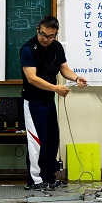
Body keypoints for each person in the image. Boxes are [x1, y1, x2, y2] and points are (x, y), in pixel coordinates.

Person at [20, 15, 87, 191]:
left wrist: (77, 77)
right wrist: (56, 88)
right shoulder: (28, 49)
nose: (46, 39)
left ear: (56, 34)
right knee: (36, 142)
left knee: (52, 140)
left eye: (51, 36)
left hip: (49, 102)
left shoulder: (56, 47)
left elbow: (64, 69)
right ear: (38, 30)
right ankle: (35, 180)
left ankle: (49, 177)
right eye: (43, 34)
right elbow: (32, 78)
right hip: (33, 102)